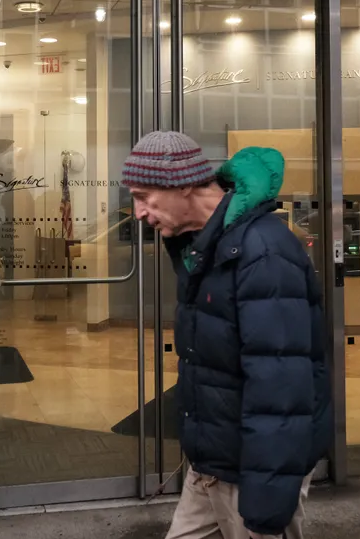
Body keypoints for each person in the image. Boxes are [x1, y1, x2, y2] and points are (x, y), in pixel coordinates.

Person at [121, 131, 331, 539]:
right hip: (214, 460)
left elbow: (280, 385)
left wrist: (266, 499)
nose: (139, 212)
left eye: (145, 196)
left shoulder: (262, 251)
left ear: (183, 184)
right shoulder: (204, 246)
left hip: (252, 469)